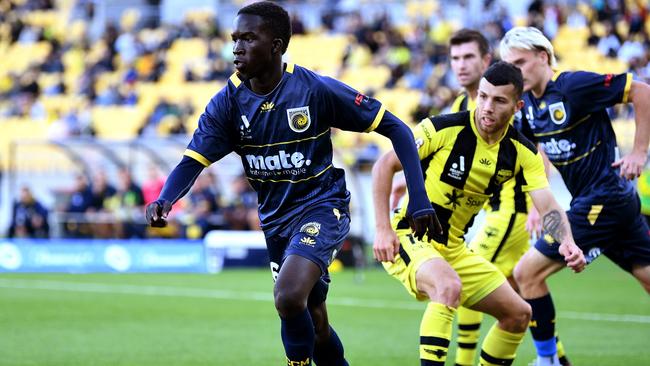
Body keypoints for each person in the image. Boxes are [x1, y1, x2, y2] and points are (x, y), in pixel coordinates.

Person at [144, 2, 440, 365]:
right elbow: (192, 161)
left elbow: (396, 128)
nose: (237, 47)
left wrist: (420, 199)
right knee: (315, 324)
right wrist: (165, 199)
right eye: (235, 38)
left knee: (286, 296)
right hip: (275, 221)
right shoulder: (227, 104)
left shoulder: (314, 90)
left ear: (277, 45)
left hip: (322, 205)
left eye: (249, 38)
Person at [372, 61, 585, 366]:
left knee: (518, 314)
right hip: (409, 235)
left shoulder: (522, 152)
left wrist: (566, 241)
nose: (487, 107)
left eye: (499, 100)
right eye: (483, 96)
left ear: (517, 106)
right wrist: (383, 229)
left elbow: (547, 205)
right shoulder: (442, 128)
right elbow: (384, 166)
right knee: (447, 287)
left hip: (454, 248)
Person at [500, 26, 650, 366]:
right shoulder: (527, 108)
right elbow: (533, 159)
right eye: (509, 65)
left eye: (520, 62)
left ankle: (549, 360)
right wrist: (538, 208)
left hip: (604, 198)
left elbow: (642, 91)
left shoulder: (573, 86)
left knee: (526, 273)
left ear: (543, 56)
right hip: (610, 203)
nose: (515, 72)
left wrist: (639, 153)